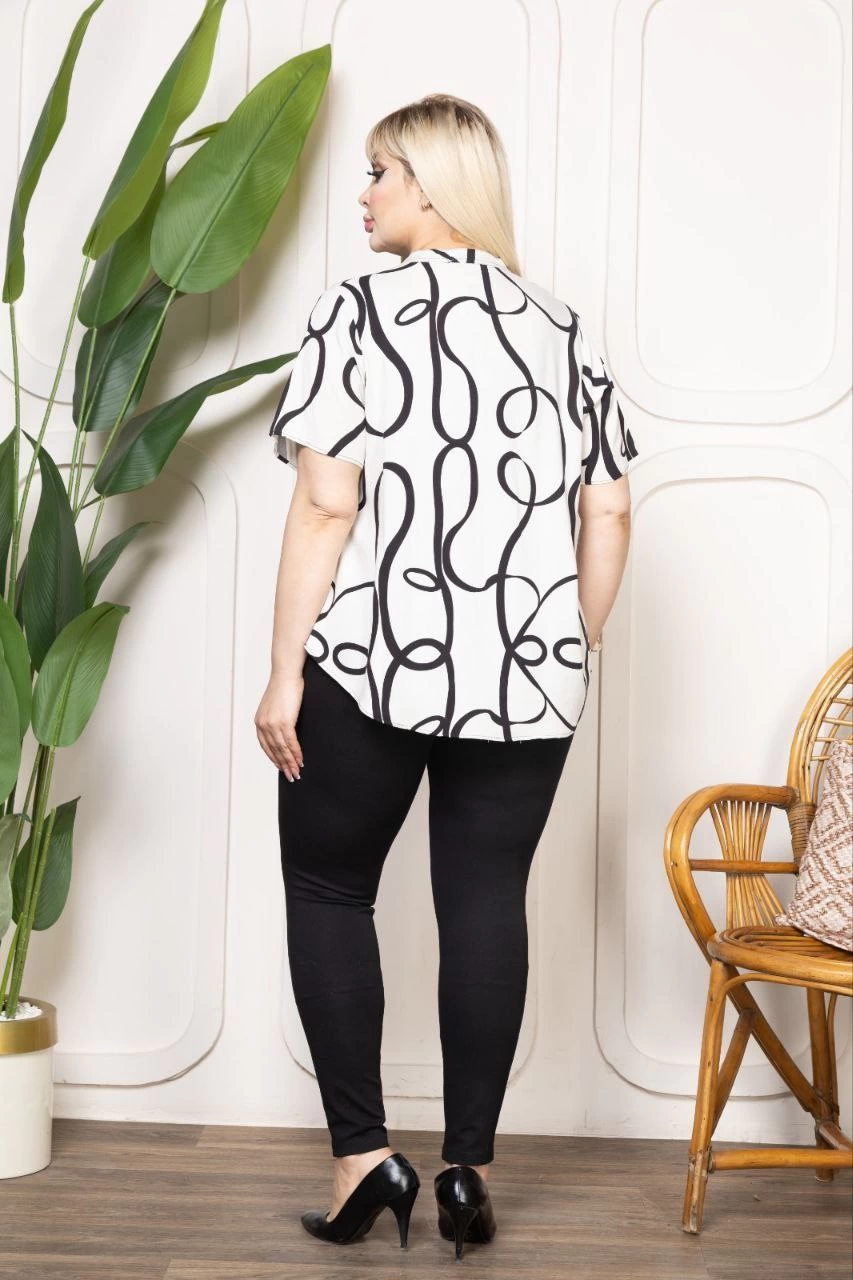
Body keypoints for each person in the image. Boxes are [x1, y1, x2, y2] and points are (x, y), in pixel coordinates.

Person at [255, 93, 639, 1258]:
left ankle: (362, 1161)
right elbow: (610, 509)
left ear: (428, 184)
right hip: (527, 678)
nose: (362, 193)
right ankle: (467, 1171)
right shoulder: (563, 326)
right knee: (484, 900)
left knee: (329, 887)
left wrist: (283, 671)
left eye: (378, 172)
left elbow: (326, 504)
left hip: (371, 660)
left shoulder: (357, 311)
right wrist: (567, 635)